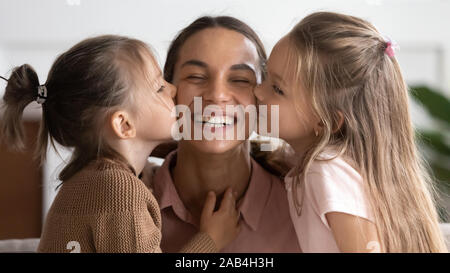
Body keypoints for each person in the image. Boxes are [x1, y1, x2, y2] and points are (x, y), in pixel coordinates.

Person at [0, 35, 239, 253]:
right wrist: (211, 240)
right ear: (124, 125)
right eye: (159, 87)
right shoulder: (120, 191)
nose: (173, 89)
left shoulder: (91, 178)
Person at [254, 11, 448, 252]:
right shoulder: (321, 165)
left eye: (277, 88)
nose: (258, 92)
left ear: (326, 123)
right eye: (265, 76)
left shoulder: (325, 170)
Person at [143, 16, 301, 253]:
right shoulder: (123, 203)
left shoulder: (303, 208)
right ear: (169, 92)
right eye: (196, 76)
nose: (217, 95)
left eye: (239, 80)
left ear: (263, 98)